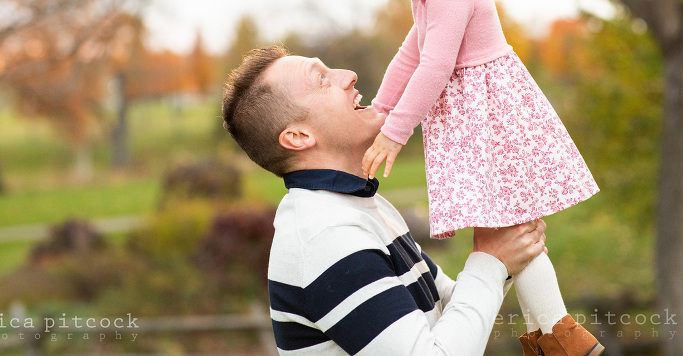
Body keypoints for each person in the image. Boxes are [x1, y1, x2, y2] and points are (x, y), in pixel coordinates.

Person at [349, 0, 602, 355]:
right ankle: (550, 336)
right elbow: (410, 56)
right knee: (507, 232)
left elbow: (436, 66)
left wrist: (395, 133)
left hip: (488, 122)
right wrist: (379, 111)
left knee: (506, 231)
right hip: (478, 119)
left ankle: (561, 335)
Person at [221, 46, 596, 355]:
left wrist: (507, 248)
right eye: (322, 79)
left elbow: (448, 307)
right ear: (298, 136)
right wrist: (489, 260)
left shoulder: (361, 207)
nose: (348, 74)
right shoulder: (324, 238)